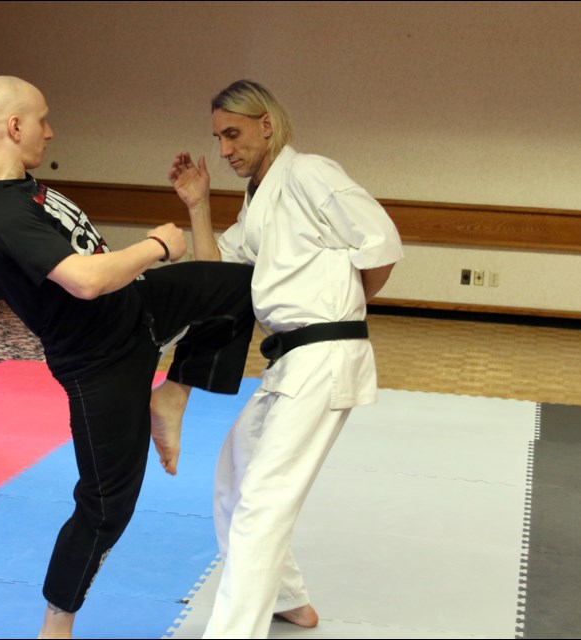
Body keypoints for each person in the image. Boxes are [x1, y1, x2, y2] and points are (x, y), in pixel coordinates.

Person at [0, 75, 256, 639]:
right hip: (100, 363)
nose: (51, 131)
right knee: (106, 505)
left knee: (239, 289)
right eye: (42, 120)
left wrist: (194, 211)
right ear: (14, 126)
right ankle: (57, 624)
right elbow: (87, 280)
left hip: (139, 309)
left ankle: (172, 396)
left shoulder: (25, 188)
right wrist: (155, 247)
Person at [168, 79, 404, 638]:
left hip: (323, 354)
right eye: (217, 138)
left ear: (266, 125)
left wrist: (343, 310)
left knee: (262, 506)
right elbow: (218, 276)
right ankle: (289, 600)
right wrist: (199, 204)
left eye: (234, 133)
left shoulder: (309, 173)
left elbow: (383, 241)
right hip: (288, 360)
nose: (224, 149)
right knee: (233, 477)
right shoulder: (261, 195)